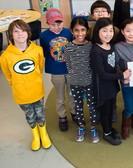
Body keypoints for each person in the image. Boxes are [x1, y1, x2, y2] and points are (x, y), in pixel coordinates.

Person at [0, 20, 51, 151]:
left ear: (28, 33)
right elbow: (8, 75)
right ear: (10, 34)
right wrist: (17, 83)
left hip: (37, 90)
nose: (20, 34)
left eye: (23, 30)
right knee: (29, 115)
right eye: (16, 31)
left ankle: (43, 133)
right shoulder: (5, 56)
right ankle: (35, 135)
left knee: (40, 112)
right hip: (21, 93)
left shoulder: (38, 50)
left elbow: (39, 68)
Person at [90, 18, 131, 146]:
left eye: (110, 30)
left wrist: (122, 74)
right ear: (97, 32)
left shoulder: (111, 46)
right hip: (102, 87)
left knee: (111, 108)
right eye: (104, 31)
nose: (108, 34)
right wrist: (121, 75)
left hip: (112, 85)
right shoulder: (96, 50)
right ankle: (106, 133)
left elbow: (115, 65)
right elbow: (101, 74)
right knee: (105, 110)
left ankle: (109, 128)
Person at [63, 17, 99, 143]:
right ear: (72, 31)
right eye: (76, 30)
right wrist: (72, 75)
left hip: (89, 81)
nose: (80, 33)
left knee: (92, 105)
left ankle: (93, 127)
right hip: (74, 82)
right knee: (78, 106)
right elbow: (68, 64)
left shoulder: (91, 46)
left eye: (83, 30)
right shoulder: (67, 47)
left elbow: (93, 64)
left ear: (87, 30)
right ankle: (81, 126)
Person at [40, 8, 76, 132]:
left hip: (70, 69)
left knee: (72, 94)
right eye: (53, 24)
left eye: (59, 23)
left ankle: (74, 112)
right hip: (56, 70)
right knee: (60, 96)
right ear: (47, 24)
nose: (57, 27)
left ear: (63, 21)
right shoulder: (43, 36)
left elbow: (73, 48)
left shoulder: (68, 33)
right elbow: (45, 52)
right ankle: (62, 116)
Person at [115, 17, 133, 140]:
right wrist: (123, 78)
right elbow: (116, 65)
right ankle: (125, 127)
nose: (131, 34)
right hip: (127, 83)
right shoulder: (118, 47)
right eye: (128, 31)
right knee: (129, 107)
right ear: (122, 31)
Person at [88, 0, 119, 122]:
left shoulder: (114, 30)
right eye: (96, 11)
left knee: (112, 92)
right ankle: (100, 113)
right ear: (92, 15)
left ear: (109, 14)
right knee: (99, 94)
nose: (100, 13)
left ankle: (113, 110)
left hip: (110, 65)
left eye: (103, 11)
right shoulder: (89, 30)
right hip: (97, 67)